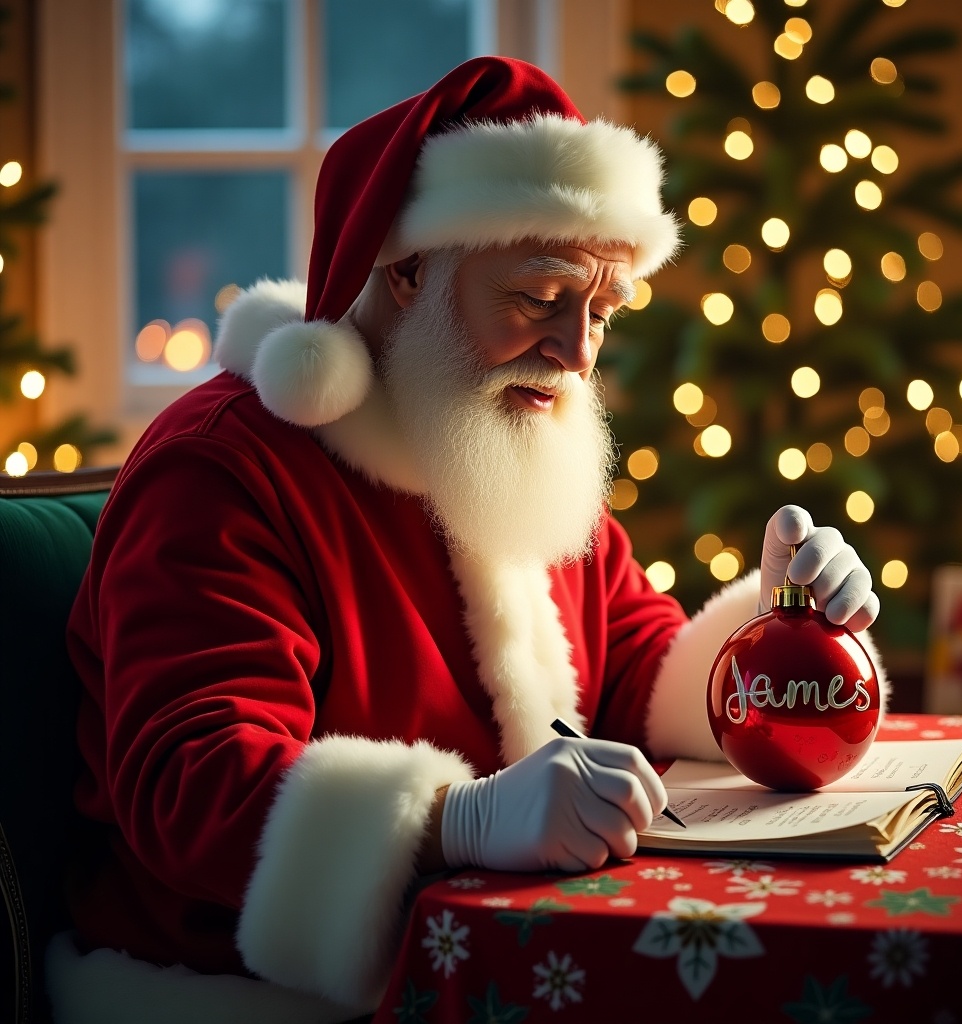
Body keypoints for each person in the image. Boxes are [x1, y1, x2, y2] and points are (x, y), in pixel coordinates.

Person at [47, 56, 884, 1024]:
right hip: (256, 996)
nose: (575, 354)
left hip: (509, 962)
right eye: (538, 297)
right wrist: (451, 818)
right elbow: (189, 779)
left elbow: (631, 665)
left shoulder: (503, 430)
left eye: (600, 313)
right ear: (406, 270)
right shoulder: (226, 472)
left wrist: (775, 635)